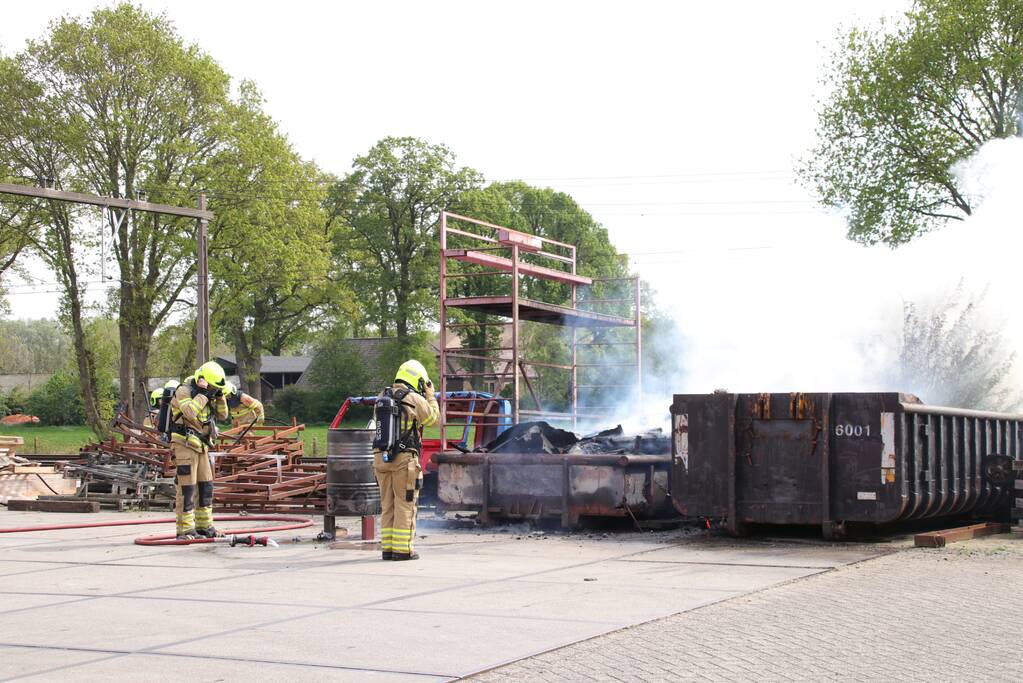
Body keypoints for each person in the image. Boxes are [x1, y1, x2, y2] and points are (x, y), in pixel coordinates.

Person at [374, 359, 439, 561]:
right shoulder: (414, 399)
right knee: (405, 504)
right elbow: (434, 420)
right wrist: (430, 396)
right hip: (404, 459)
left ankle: (388, 549)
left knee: (388, 505)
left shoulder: (381, 397)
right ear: (418, 381)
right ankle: (403, 550)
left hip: (380, 458)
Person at [168, 362, 228, 540]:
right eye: (211, 385)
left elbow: (223, 415)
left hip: (202, 445)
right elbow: (189, 413)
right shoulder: (184, 390)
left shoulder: (210, 393)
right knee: (187, 488)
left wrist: (219, 396)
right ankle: (185, 530)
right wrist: (202, 394)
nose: (212, 389)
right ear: (201, 380)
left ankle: (204, 527)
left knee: (206, 486)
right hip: (184, 444)